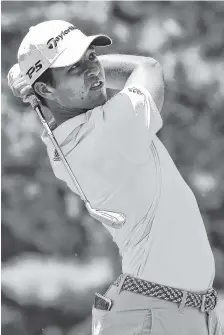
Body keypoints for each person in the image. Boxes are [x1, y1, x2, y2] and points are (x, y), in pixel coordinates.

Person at [8, 20, 222, 335]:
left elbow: (64, 100)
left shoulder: (65, 135)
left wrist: (39, 77)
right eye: (74, 67)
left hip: (168, 312)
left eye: (92, 57)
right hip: (155, 317)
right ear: (44, 89)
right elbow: (148, 67)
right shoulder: (112, 130)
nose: (92, 70)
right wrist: (37, 75)